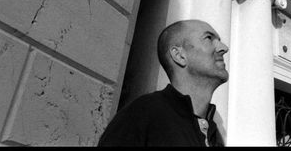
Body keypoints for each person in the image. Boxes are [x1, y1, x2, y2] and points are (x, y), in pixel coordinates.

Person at [98, 19, 229, 146]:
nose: (224, 48)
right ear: (179, 56)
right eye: (209, 38)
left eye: (219, 41)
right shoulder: (142, 114)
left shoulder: (214, 133)